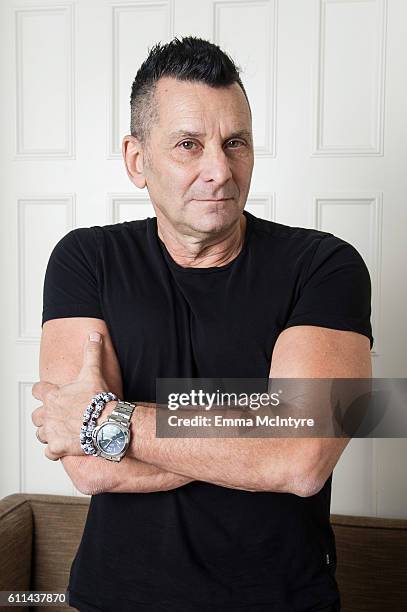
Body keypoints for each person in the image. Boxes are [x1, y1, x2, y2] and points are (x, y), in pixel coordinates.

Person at [31, 37, 373, 611]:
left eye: (234, 142)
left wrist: (111, 420)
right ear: (137, 160)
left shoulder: (326, 265)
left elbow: (302, 458)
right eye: (189, 145)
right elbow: (88, 467)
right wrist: (258, 436)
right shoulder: (85, 260)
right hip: (115, 597)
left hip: (282, 600)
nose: (219, 169)